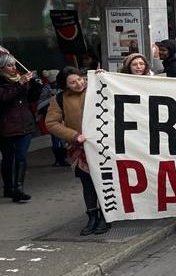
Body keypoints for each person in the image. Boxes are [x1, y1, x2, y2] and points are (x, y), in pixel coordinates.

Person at [45, 67, 109, 235]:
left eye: (80, 79)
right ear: (65, 85)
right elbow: (51, 123)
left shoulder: (97, 87)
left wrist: (103, 77)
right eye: (72, 82)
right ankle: (92, 216)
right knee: (87, 183)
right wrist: (74, 136)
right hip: (79, 147)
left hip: (103, 145)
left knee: (104, 180)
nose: (79, 84)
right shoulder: (59, 99)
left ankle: (106, 216)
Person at [1, 53, 40, 203]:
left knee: (21, 156)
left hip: (25, 124)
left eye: (14, 65)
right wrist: (20, 84)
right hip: (6, 126)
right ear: (1, 68)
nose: (13, 68)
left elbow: (32, 98)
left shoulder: (21, 80)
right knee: (8, 158)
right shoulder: (3, 82)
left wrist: (35, 84)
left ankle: (18, 188)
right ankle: (8, 187)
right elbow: (4, 97)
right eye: (9, 65)